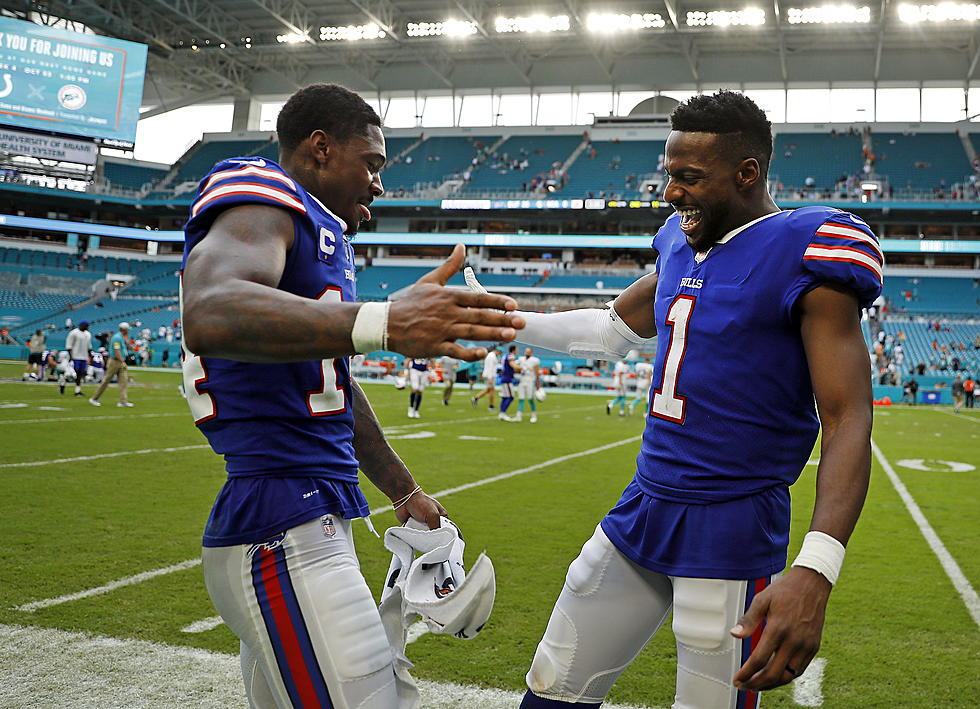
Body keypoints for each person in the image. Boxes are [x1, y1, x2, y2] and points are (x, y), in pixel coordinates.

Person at [471, 91, 881, 709]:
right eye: (670, 175)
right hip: (645, 502)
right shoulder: (680, 238)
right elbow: (612, 330)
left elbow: (848, 416)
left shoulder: (808, 244)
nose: (671, 193)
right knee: (553, 685)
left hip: (732, 519)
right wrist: (509, 322)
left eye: (689, 178)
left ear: (747, 173)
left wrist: (817, 567)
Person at [178, 83, 521, 709]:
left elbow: (333, 383)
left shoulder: (318, 235)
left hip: (308, 506)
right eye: (372, 163)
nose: (379, 185)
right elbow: (208, 309)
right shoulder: (265, 198)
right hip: (277, 520)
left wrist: (404, 491)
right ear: (318, 149)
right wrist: (385, 322)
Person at [89, 322, 133, 407]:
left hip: (119, 361)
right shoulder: (117, 338)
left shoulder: (120, 337)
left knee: (123, 381)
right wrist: (123, 362)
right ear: (125, 329)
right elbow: (117, 351)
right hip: (115, 361)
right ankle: (94, 398)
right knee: (106, 380)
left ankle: (123, 401)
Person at [64, 320, 93, 397]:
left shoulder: (88, 334)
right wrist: (71, 356)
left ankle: (77, 390)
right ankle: (63, 382)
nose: (87, 327)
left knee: (80, 373)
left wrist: (90, 356)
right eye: (86, 325)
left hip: (84, 356)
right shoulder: (74, 333)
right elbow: (69, 345)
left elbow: (89, 347)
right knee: (74, 373)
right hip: (75, 356)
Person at [514, 346, 541, 423]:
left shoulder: (534, 360)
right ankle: (518, 416)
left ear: (531, 353)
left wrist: (538, 383)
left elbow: (537, 373)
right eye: (526, 351)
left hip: (530, 381)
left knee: (530, 399)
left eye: (528, 352)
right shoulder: (521, 359)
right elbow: (517, 369)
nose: (527, 353)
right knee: (521, 399)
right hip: (522, 380)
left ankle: (534, 415)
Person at [471, 345, 500, 410]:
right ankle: (491, 405)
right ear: (496, 351)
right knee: (492, 390)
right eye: (499, 353)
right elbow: (490, 367)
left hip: (489, 375)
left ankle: (475, 398)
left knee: (488, 390)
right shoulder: (491, 357)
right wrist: (490, 378)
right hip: (489, 376)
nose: (499, 354)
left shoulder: (491, 356)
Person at [497, 344, 519, 421]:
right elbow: (512, 365)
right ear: (514, 350)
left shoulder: (505, 356)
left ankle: (501, 414)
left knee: (504, 397)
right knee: (510, 397)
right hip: (507, 379)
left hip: (504, 378)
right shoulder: (511, 356)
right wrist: (523, 367)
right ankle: (502, 413)